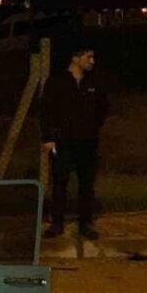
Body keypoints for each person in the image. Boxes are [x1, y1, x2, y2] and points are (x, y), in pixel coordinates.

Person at [39, 46, 107, 240]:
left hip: (87, 141)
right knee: (60, 181)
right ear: (76, 58)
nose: (92, 61)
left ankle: (85, 223)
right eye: (89, 56)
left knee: (87, 183)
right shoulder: (57, 81)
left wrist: (92, 127)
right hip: (62, 142)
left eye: (93, 56)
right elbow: (46, 110)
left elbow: (103, 107)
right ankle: (57, 223)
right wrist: (48, 137)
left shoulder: (94, 82)